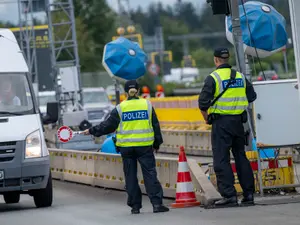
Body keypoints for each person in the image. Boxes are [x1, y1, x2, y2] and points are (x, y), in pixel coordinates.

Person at [83, 80, 169, 214]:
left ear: (125, 92)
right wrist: (157, 143)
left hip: (126, 149)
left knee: (130, 177)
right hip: (144, 147)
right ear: (139, 91)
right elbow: (155, 125)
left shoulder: (120, 108)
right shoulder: (147, 105)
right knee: (150, 175)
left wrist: (92, 130)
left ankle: (135, 207)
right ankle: (157, 204)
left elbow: (107, 126)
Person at [198, 47, 257, 207]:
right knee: (241, 157)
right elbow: (252, 96)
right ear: (227, 59)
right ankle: (249, 194)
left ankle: (230, 196)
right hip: (239, 123)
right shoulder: (240, 77)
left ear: (216, 60)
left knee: (221, 159)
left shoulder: (213, 78)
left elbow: (202, 104)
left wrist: (207, 119)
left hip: (221, 124)